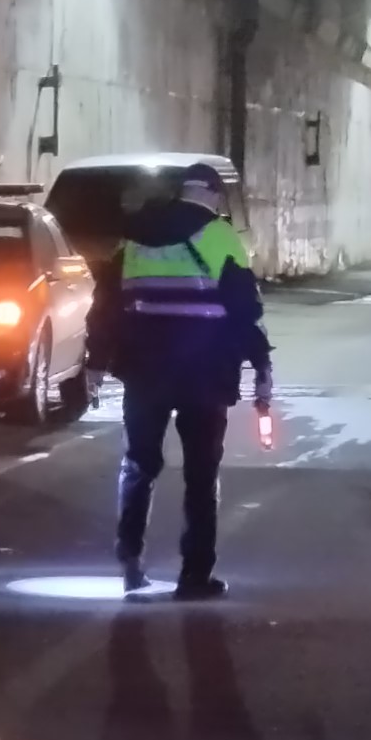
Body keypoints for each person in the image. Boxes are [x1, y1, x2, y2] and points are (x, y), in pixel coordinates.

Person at [88, 162, 271, 601]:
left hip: (144, 369)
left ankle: (130, 558)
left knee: (139, 464)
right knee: (201, 474)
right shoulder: (219, 235)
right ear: (212, 194)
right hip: (204, 372)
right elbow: (245, 311)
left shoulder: (134, 237)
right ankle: (195, 575)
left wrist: (96, 361)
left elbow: (106, 304)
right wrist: (261, 367)